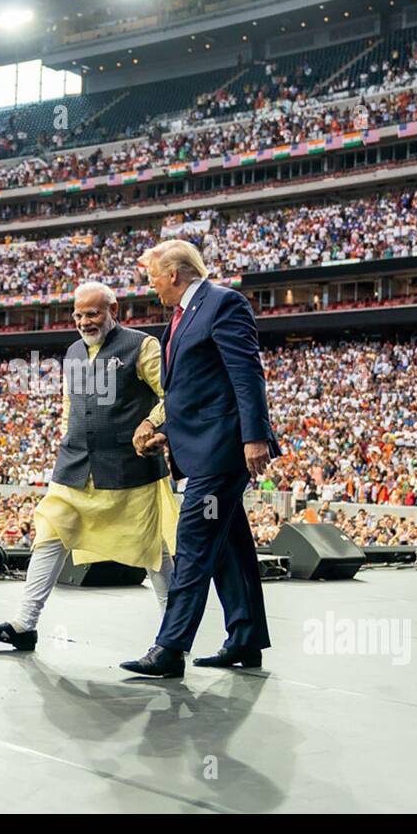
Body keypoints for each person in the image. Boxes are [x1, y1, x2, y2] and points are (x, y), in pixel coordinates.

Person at [0, 281, 178, 651]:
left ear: (113, 310)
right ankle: (24, 625)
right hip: (74, 466)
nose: (85, 321)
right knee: (49, 535)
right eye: (79, 314)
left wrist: (153, 426)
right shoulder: (72, 351)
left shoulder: (142, 346)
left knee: (152, 552)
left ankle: (173, 639)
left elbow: (172, 393)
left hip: (128, 469)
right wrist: (68, 434)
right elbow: (72, 401)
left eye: (93, 313)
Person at [121, 239, 276, 678]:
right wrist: (163, 430)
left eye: (152, 276)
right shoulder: (178, 318)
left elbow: (247, 374)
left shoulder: (223, 303)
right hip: (200, 448)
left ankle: (170, 648)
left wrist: (255, 437)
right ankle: (245, 638)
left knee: (192, 544)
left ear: (174, 273)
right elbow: (194, 393)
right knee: (229, 546)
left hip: (223, 452)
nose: (150, 286)